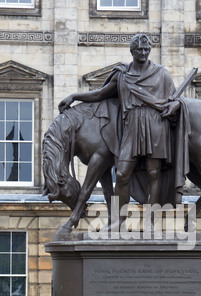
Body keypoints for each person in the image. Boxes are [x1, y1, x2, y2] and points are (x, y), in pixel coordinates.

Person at [59, 34, 181, 229]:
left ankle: (151, 222)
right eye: (139, 49)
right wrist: (74, 96)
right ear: (132, 51)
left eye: (146, 49)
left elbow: (175, 99)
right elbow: (100, 93)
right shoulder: (122, 74)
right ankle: (118, 221)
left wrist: (174, 106)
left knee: (153, 174)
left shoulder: (162, 74)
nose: (143, 52)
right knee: (122, 173)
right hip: (131, 125)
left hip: (155, 125)